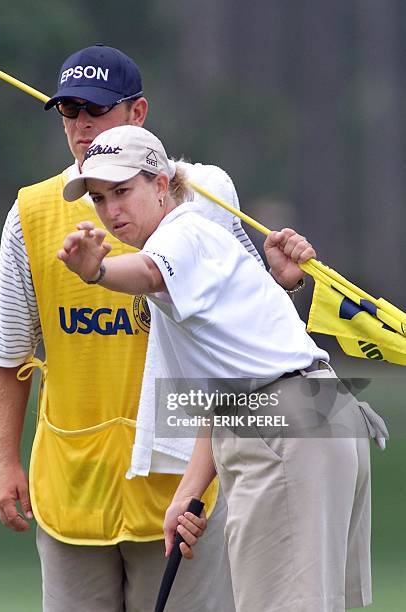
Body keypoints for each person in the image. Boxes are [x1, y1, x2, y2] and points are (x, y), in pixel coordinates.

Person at [0, 45, 315, 612]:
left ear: (138, 114)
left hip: (181, 483)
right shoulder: (31, 212)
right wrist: (6, 461)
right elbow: (9, 346)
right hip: (73, 486)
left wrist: (283, 283)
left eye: (97, 109)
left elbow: (246, 307)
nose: (82, 125)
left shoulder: (201, 200)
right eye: (68, 111)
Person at [59, 124, 387, 612]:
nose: (111, 211)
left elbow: (147, 272)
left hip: (285, 428)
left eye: (123, 191)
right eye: (101, 199)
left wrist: (98, 272)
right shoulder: (196, 242)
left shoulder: (181, 235)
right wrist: (187, 493)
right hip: (308, 415)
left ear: (162, 184)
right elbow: (224, 391)